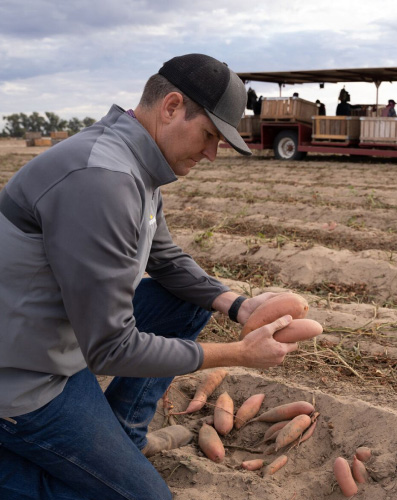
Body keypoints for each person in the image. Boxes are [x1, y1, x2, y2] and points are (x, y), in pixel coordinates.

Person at [0, 53, 298, 500]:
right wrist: (238, 352)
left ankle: (121, 440)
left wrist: (238, 304)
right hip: (22, 377)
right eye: (210, 136)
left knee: (184, 300)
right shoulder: (103, 179)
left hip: (56, 342)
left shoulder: (135, 165)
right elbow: (111, 348)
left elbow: (166, 259)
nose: (213, 154)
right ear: (172, 106)